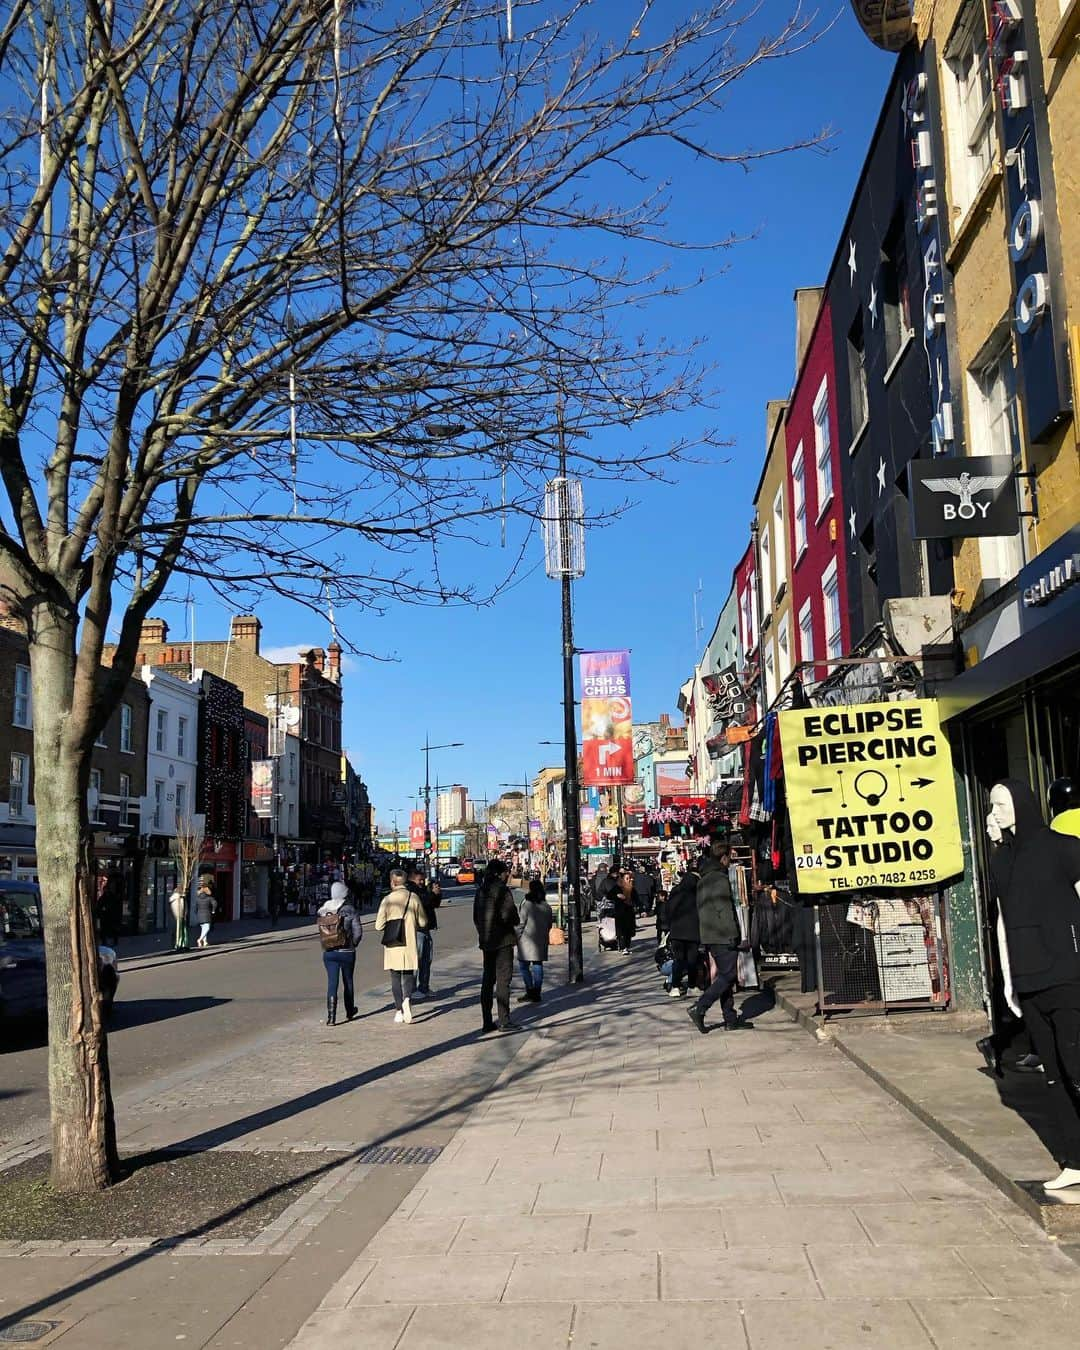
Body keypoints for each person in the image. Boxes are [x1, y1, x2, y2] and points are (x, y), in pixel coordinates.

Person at [687, 835, 752, 1034]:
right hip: (722, 934)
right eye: (730, 857)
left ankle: (730, 1018)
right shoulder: (720, 879)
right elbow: (724, 909)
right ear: (723, 858)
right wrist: (735, 934)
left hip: (709, 934)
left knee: (726, 976)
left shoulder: (704, 879)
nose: (730, 861)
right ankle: (701, 1007)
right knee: (728, 974)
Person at [473, 859, 521, 1032]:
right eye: (506, 872)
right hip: (503, 940)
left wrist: (483, 933)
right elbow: (510, 915)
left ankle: (487, 1021)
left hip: (487, 941)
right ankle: (504, 1020)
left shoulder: (481, 890)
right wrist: (514, 921)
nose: (508, 875)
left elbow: (476, 917)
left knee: (487, 981)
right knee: (503, 980)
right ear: (500, 873)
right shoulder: (501, 889)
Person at [375, 868, 427, 1024]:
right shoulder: (414, 897)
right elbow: (423, 922)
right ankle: (407, 999)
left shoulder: (387, 900)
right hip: (409, 942)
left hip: (393, 943)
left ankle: (399, 1009)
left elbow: (378, 925)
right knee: (408, 975)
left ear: (392, 882)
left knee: (395, 977)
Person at [317, 881, 364, 1025]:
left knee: (332, 983)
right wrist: (353, 944)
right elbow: (358, 932)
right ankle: (350, 1011)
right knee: (348, 981)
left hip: (329, 952)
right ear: (344, 893)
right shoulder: (349, 909)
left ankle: (331, 1017)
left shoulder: (323, 910)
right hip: (347, 951)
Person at [664, 863, 701, 998]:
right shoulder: (696, 894)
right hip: (693, 932)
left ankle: (675, 986)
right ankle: (692, 986)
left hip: (677, 932)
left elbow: (667, 912)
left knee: (678, 960)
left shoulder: (675, 893)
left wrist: (669, 926)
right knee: (692, 960)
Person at [516, 877, 554, 1003]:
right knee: (538, 965)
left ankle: (530, 990)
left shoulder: (527, 904)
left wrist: (516, 936)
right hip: (540, 940)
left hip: (526, 940)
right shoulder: (546, 906)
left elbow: (520, 923)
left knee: (524, 966)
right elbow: (549, 924)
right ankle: (537, 991)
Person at [407, 864, 441, 1000]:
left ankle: (424, 987)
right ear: (412, 879)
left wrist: (437, 894)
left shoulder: (422, 889)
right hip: (417, 930)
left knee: (427, 960)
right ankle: (412, 988)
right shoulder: (412, 891)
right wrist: (432, 894)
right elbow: (423, 902)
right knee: (417, 960)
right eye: (420, 880)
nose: (422, 882)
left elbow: (433, 904)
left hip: (426, 929)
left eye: (423, 880)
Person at [614, 869, 637, 954]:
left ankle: (627, 947)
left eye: (629, 878)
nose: (629, 880)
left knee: (629, 931)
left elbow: (636, 899)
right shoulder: (618, 888)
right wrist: (617, 896)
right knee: (621, 931)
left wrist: (641, 909)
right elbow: (610, 895)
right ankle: (623, 947)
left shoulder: (632, 889)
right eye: (627, 878)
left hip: (629, 912)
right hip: (620, 912)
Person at [194, 877, 215, 949]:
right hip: (207, 914)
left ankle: (205, 942)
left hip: (199, 915)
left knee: (203, 928)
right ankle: (200, 939)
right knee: (207, 927)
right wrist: (213, 910)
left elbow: (195, 907)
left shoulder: (197, 899)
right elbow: (215, 903)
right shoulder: (209, 898)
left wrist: (196, 913)